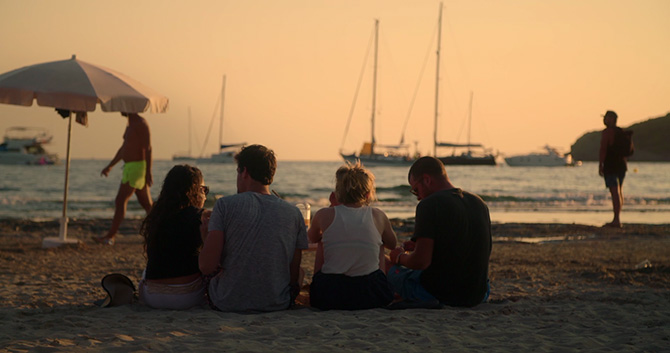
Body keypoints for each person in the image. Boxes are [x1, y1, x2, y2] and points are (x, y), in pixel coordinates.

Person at [199, 144, 308, 312]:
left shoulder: (224, 205)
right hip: (277, 303)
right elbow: (293, 274)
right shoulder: (293, 213)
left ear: (245, 172)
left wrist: (205, 237)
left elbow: (207, 266)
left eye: (237, 171)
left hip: (227, 302)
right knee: (300, 272)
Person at [387, 156, 491, 308]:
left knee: (384, 263)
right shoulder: (479, 202)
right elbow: (470, 247)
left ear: (427, 180)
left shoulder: (429, 204)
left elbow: (420, 262)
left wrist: (399, 257)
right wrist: (424, 247)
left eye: (416, 190)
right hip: (478, 294)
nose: (418, 197)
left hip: (440, 294)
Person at [308, 162, 397, 310]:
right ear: (368, 194)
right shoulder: (378, 215)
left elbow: (311, 238)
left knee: (322, 241)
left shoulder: (323, 214)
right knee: (380, 243)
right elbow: (392, 244)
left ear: (338, 192)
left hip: (328, 295)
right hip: (370, 294)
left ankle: (318, 282)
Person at [138, 164, 210, 310]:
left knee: (146, 271)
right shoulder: (201, 217)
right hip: (187, 297)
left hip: (151, 297)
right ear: (195, 190)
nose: (205, 195)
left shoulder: (157, 216)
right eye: (204, 189)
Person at [95, 112, 153, 245]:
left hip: (137, 168)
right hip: (129, 168)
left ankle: (110, 236)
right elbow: (124, 148)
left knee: (120, 200)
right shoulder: (130, 123)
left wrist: (148, 172)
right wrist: (110, 166)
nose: (120, 110)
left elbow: (148, 148)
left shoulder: (141, 124)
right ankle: (164, 231)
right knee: (147, 205)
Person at [599, 110, 627, 228]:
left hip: (611, 166)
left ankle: (616, 220)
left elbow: (603, 149)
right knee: (619, 192)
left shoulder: (607, 132)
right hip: (621, 166)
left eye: (606, 118)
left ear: (611, 119)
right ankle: (617, 218)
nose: (604, 120)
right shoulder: (621, 132)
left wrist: (601, 164)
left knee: (614, 192)